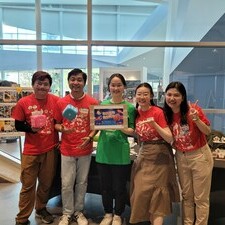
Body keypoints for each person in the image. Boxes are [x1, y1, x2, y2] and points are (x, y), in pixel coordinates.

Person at [12, 71, 60, 225]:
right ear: (33, 85)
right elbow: (18, 124)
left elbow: (61, 119)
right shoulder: (23, 102)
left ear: (49, 87)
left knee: (46, 184)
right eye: (39, 83)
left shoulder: (56, 101)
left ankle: (41, 209)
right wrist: (31, 129)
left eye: (45, 84)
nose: (42, 87)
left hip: (50, 149)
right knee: (28, 185)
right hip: (31, 151)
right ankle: (22, 218)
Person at [129, 82, 180, 225]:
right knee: (140, 193)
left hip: (160, 156)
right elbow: (136, 133)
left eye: (146, 94)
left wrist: (155, 125)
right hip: (144, 155)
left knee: (158, 197)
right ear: (135, 96)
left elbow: (169, 138)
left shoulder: (158, 112)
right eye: (139, 94)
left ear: (151, 96)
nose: (142, 97)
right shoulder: (136, 112)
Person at [164, 81, 213, 225]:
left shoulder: (193, 110)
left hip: (199, 156)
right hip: (180, 155)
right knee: (187, 196)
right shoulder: (166, 114)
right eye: (169, 94)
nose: (172, 98)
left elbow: (208, 132)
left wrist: (196, 119)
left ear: (183, 97)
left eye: (176, 95)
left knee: (201, 198)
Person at [54, 68, 98, 225]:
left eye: (79, 80)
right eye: (73, 79)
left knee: (82, 182)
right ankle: (66, 212)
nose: (76, 83)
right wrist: (63, 129)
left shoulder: (93, 102)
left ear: (84, 82)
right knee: (66, 183)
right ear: (68, 81)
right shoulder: (62, 102)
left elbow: (95, 125)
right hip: (67, 148)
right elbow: (56, 124)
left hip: (85, 149)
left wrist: (91, 136)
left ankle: (79, 211)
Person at [95, 73, 135, 225]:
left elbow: (133, 130)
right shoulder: (102, 105)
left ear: (124, 87)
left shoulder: (130, 107)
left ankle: (118, 214)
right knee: (105, 187)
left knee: (119, 186)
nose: (116, 88)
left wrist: (122, 127)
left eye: (119, 85)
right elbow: (97, 127)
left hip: (121, 152)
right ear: (109, 87)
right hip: (104, 152)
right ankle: (107, 213)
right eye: (113, 85)